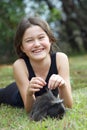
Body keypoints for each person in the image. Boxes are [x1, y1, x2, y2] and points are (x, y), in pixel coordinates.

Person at [0, 16, 73, 113]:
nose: (37, 44)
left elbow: (68, 106)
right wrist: (29, 93)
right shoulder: (20, 65)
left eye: (41, 37)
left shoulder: (61, 59)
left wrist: (63, 86)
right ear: (22, 47)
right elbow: (30, 110)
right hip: (15, 93)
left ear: (50, 40)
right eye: (29, 40)